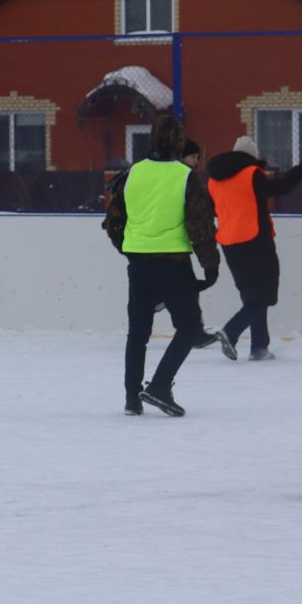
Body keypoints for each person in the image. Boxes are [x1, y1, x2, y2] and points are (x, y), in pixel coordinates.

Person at [103, 114, 220, 417]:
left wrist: (130, 249)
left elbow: (113, 221)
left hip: (139, 264)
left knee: (138, 333)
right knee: (189, 326)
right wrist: (211, 265)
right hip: (173, 263)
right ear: (180, 142)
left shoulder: (131, 174)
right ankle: (159, 385)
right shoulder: (186, 176)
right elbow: (201, 225)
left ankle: (132, 399)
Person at [206, 135, 302, 361]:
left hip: (228, 241)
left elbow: (213, 209)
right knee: (264, 294)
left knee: (252, 295)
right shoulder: (251, 174)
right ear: (252, 156)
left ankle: (259, 347)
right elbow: (281, 188)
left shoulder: (212, 180)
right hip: (255, 240)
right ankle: (231, 331)